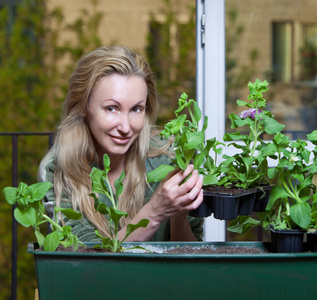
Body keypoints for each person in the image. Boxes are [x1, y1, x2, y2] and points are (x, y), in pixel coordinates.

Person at [38, 45, 204, 242]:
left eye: (136, 109)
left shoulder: (167, 159)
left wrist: (178, 214)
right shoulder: (58, 169)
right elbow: (84, 264)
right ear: (83, 106)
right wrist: (154, 212)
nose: (125, 127)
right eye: (111, 108)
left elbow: (193, 263)